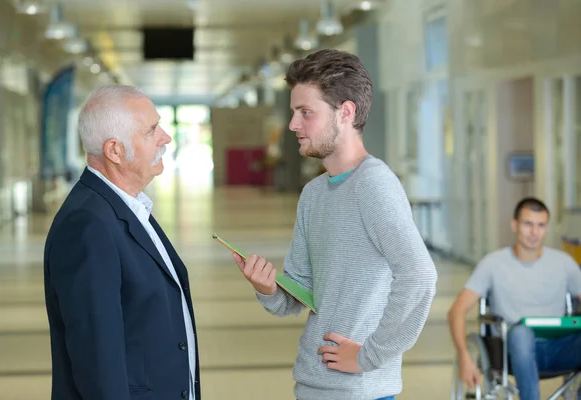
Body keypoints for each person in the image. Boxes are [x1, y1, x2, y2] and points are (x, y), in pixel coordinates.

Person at [231, 49, 438, 400]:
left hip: (359, 391)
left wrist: (370, 355)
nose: (293, 125)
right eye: (293, 112)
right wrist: (269, 288)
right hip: (315, 384)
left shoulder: (373, 185)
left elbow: (419, 276)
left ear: (345, 112)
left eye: (305, 113)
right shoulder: (313, 193)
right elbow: (297, 295)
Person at [43, 84, 200, 400]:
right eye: (151, 131)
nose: (165, 138)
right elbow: (97, 357)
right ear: (114, 150)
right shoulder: (88, 224)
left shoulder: (127, 206)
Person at [447, 197, 581, 400]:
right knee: (521, 333)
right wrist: (464, 355)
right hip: (512, 351)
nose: (535, 232)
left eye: (541, 225)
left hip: (559, 347)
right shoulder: (493, 264)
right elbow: (456, 310)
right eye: (528, 224)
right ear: (514, 225)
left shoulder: (563, 263)